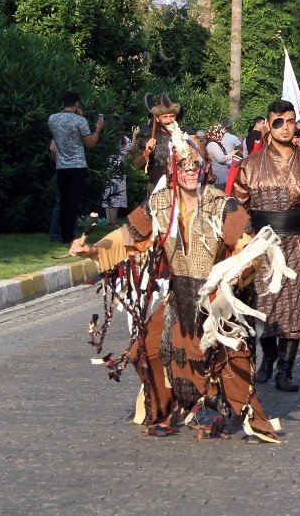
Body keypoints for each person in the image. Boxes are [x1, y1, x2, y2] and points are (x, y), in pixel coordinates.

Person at [70, 124, 281, 442]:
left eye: (195, 164)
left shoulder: (223, 205)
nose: (189, 171)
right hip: (181, 294)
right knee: (151, 348)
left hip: (218, 296)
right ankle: (164, 409)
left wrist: (236, 273)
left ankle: (236, 412)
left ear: (205, 168)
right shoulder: (160, 205)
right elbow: (127, 239)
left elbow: (250, 248)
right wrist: (91, 250)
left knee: (229, 357)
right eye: (182, 165)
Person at [232, 100, 300, 392]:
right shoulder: (250, 164)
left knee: (295, 305)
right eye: (278, 122)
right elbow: (237, 207)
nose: (285, 127)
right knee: (261, 304)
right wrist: (240, 244)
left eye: (290, 121)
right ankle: (269, 356)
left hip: (296, 242)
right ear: (267, 124)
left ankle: (286, 370)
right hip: (260, 245)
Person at [48, 92, 104, 243]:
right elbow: (90, 143)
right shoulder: (80, 121)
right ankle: (67, 237)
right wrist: (98, 128)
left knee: (63, 201)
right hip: (77, 166)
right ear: (77, 104)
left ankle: (59, 235)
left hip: (61, 166)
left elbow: (59, 137)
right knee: (73, 202)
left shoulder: (52, 119)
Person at [134, 94, 181, 193]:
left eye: (171, 116)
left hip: (180, 186)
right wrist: (147, 152)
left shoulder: (185, 135)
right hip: (156, 185)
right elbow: (136, 165)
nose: (169, 120)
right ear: (157, 118)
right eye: (165, 117)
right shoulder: (148, 137)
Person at [102, 131, 135, 227]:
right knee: (116, 195)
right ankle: (112, 222)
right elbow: (132, 149)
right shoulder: (124, 139)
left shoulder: (108, 137)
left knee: (108, 193)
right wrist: (134, 135)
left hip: (108, 169)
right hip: (118, 170)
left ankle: (109, 221)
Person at [205, 124, 231, 190]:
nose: (223, 136)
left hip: (219, 174)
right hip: (218, 176)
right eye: (222, 134)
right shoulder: (213, 144)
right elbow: (221, 159)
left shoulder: (214, 143)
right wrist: (230, 155)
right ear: (217, 133)